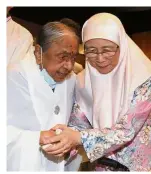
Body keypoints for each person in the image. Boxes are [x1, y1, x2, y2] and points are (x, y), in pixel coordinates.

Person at [41, 13, 151, 171]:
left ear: (122, 45)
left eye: (107, 50)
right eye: (91, 51)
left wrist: (79, 138)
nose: (100, 58)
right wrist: (61, 138)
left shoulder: (144, 79)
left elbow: (127, 130)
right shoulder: (83, 81)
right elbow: (78, 125)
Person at [7, 21, 81, 171]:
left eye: (73, 58)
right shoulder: (12, 77)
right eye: (62, 57)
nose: (69, 66)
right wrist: (37, 137)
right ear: (38, 53)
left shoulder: (71, 79)